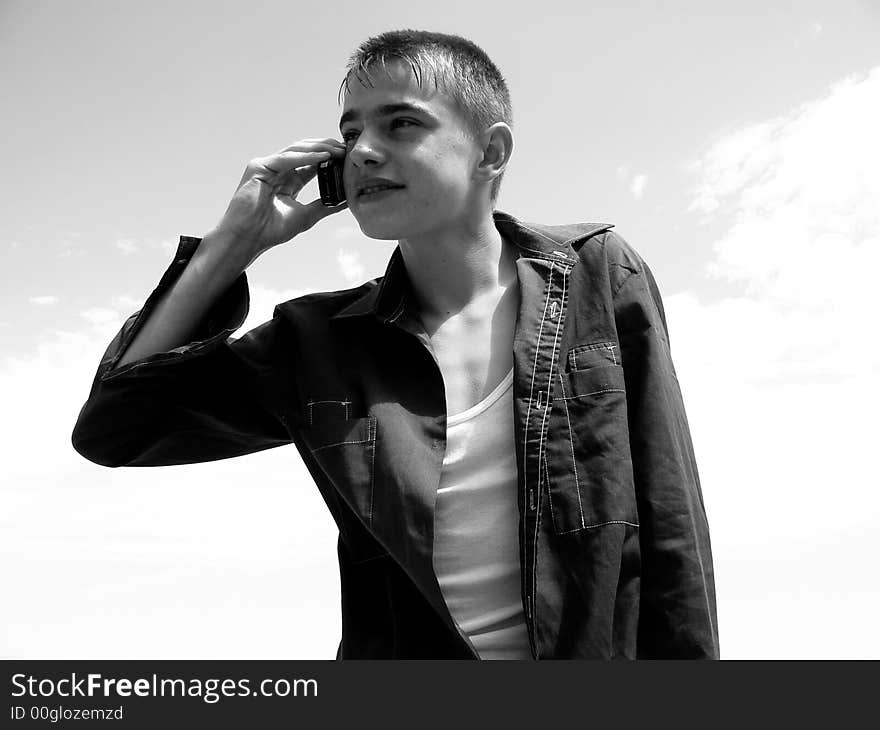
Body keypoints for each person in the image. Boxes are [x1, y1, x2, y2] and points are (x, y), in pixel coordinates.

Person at [72, 29, 719, 659]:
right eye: (350, 133)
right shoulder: (316, 342)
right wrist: (229, 248)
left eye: (400, 124)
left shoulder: (596, 271)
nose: (363, 152)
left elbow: (670, 521)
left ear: (490, 152)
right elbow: (119, 430)